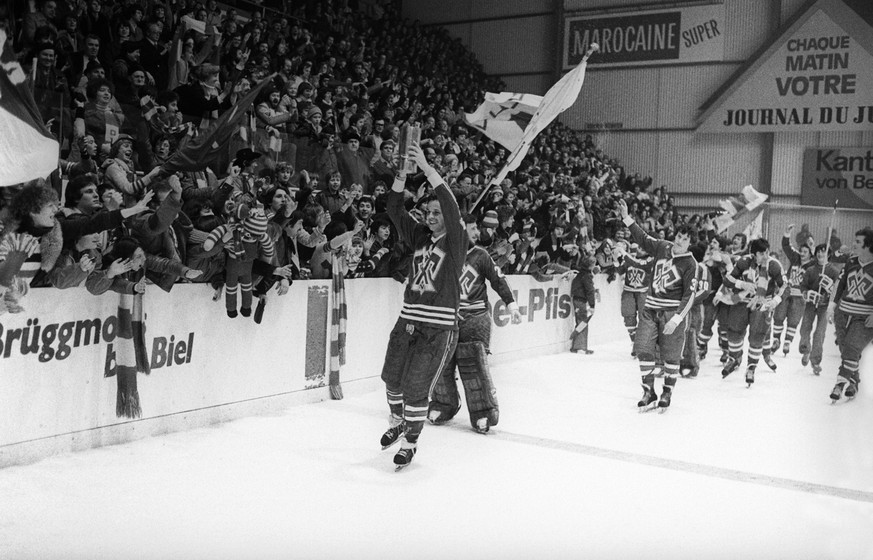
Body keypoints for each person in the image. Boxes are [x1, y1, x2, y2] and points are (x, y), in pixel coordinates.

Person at [378, 143, 466, 469]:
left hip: (437, 327)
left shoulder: (456, 240)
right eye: (427, 213)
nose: (430, 217)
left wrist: (427, 168)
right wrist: (401, 176)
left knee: (416, 386)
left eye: (435, 213)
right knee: (392, 378)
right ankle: (400, 422)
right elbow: (394, 210)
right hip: (407, 321)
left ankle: (411, 442)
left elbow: (451, 207)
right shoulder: (419, 238)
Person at [428, 213, 521, 433]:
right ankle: (443, 404)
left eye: (476, 229)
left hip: (475, 319)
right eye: (472, 229)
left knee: (473, 365)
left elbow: (498, 280)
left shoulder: (480, 255)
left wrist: (511, 305)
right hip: (447, 318)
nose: (477, 233)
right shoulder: (442, 254)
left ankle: (483, 412)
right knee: (441, 364)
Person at [618, 199, 697, 411]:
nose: (680, 241)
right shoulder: (663, 247)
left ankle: (667, 391)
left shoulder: (690, 264)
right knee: (643, 349)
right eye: (679, 236)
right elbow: (643, 239)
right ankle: (648, 390)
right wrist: (627, 218)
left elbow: (690, 295)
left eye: (685, 239)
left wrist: (678, 318)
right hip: (650, 308)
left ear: (691, 243)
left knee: (671, 356)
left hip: (671, 313)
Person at [719, 238, 786, 386]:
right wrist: (742, 283)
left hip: (762, 304)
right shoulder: (744, 261)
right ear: (753, 254)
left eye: (767, 252)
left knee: (758, 334)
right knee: (734, 331)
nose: (766, 256)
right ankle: (735, 358)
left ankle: (751, 367)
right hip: (742, 301)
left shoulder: (774, 265)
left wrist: (775, 301)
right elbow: (727, 280)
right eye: (762, 253)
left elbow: (784, 287)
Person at [828, 228, 873, 402]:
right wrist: (832, 305)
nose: (853, 244)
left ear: (869, 246)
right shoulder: (851, 261)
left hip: (864, 318)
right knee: (846, 350)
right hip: (843, 313)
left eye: (858, 242)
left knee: (852, 348)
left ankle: (840, 383)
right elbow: (841, 284)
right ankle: (854, 381)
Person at [798, 244, 840, 375]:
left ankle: (815, 361)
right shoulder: (810, 270)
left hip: (824, 307)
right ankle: (806, 349)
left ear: (828, 254)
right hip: (811, 305)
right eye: (818, 252)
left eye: (823, 252)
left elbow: (838, 291)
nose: (820, 255)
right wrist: (808, 294)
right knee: (805, 328)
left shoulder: (833, 271)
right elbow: (803, 287)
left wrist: (829, 289)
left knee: (819, 333)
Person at [772, 224, 813, 356]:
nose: (802, 254)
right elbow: (786, 247)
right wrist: (787, 234)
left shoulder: (813, 265)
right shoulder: (795, 258)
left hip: (800, 297)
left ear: (811, 253)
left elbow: (823, 261)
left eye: (805, 252)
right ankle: (776, 340)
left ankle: (787, 342)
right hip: (787, 292)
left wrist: (813, 246)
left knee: (793, 321)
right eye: (801, 251)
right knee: (778, 316)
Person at [569, 255, 597, 354]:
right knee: (583, 322)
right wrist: (592, 305)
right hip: (581, 301)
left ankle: (577, 345)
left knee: (581, 322)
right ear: (591, 266)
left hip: (577, 299)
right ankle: (580, 347)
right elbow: (590, 291)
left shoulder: (581, 274)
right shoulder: (587, 276)